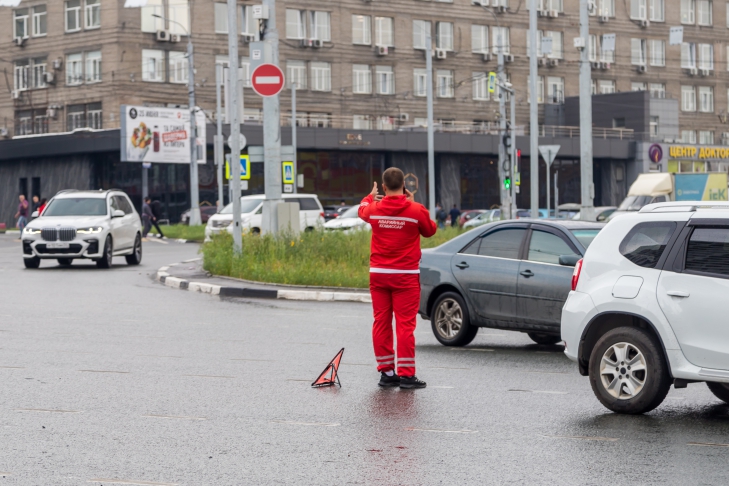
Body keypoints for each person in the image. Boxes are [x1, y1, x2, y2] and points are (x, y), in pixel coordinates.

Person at [358, 167, 437, 389]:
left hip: (379, 275)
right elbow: (430, 230)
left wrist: (369, 196)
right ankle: (407, 375)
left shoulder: (374, 209)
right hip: (405, 276)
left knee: (381, 323)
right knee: (405, 325)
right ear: (404, 186)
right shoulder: (415, 210)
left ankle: (387, 372)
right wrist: (413, 203)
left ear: (383, 187)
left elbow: (362, 209)